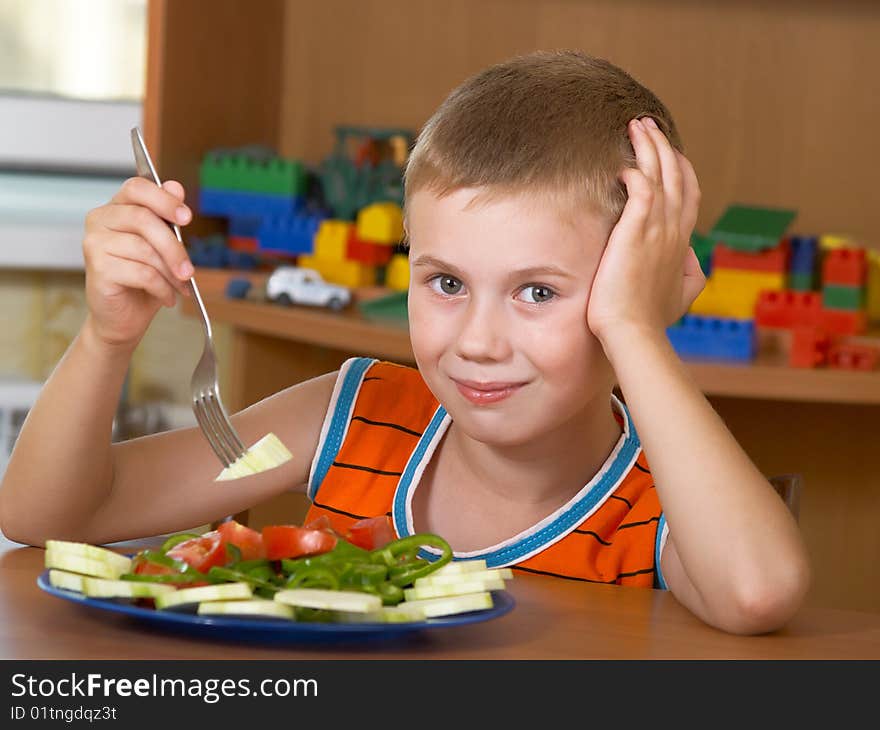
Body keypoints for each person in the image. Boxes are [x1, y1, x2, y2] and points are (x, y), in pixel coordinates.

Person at [0, 50, 810, 634]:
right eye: (446, 283)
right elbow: (49, 514)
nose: (478, 343)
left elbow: (758, 593)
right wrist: (108, 337)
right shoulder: (346, 418)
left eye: (538, 292)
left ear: (635, 284)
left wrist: (639, 328)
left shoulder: (662, 499)